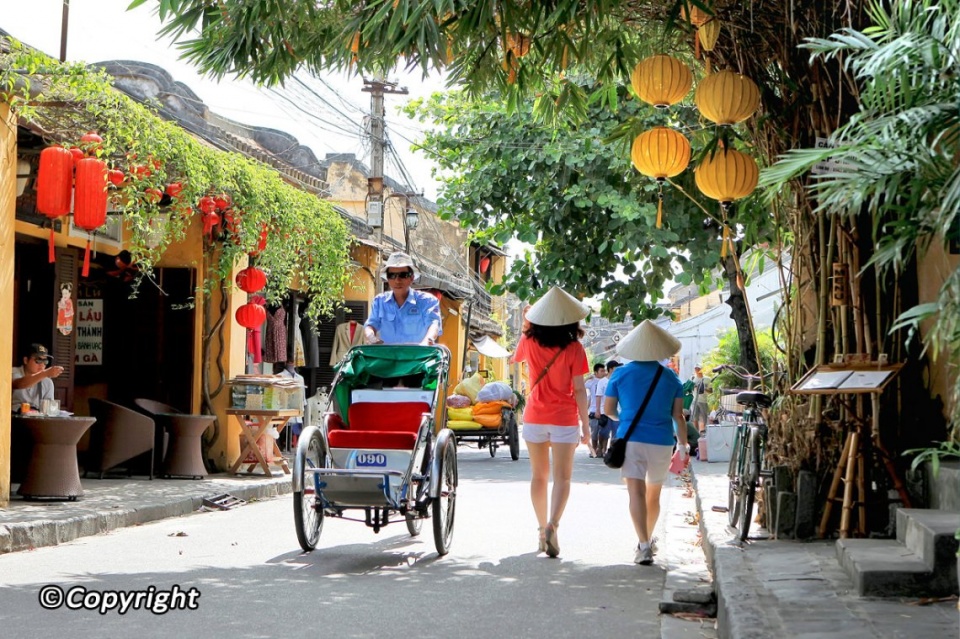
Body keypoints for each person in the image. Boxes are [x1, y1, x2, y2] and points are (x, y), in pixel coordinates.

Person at [510, 286, 590, 558]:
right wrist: (586, 426)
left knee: (539, 476)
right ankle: (553, 525)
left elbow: (515, 358)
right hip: (565, 419)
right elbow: (579, 389)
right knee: (563, 478)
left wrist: (526, 325)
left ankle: (540, 527)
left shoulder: (530, 342)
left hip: (534, 416)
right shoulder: (575, 349)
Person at [604, 320, 688, 566]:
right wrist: (682, 445)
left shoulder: (620, 373)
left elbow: (608, 410)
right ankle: (649, 540)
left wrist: (627, 418)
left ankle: (643, 545)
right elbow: (678, 416)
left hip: (631, 440)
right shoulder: (671, 377)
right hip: (662, 442)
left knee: (635, 493)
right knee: (654, 494)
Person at [364, 252, 441, 346]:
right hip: (387, 357)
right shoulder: (379, 301)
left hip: (418, 357)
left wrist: (427, 341)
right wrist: (371, 337)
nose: (397, 280)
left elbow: (433, 325)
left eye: (403, 275)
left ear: (411, 278)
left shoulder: (427, 301)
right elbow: (371, 325)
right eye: (392, 275)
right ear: (387, 278)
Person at [12, 344, 64, 413]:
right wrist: (45, 373)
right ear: (26, 360)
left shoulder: (47, 382)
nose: (42, 365)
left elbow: (49, 409)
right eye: (38, 360)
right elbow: (18, 384)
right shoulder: (13, 372)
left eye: (45, 361)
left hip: (36, 419)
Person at [594, 360, 621, 457]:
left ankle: (611, 452)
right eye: (615, 368)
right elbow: (598, 396)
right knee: (604, 432)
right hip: (604, 411)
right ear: (610, 369)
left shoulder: (618, 380)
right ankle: (600, 447)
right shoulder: (602, 382)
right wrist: (597, 410)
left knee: (616, 433)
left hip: (617, 411)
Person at [584, 363, 606, 457]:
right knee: (594, 433)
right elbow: (580, 385)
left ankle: (602, 450)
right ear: (596, 372)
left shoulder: (606, 381)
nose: (603, 372)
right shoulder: (592, 381)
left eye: (604, 370)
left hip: (604, 410)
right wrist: (589, 377)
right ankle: (594, 451)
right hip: (593, 410)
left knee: (604, 432)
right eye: (601, 371)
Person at [691, 365, 711, 434]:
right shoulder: (693, 378)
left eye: (698, 368)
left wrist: (703, 388)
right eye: (696, 368)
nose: (697, 370)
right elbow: (689, 389)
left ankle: (705, 431)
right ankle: (696, 433)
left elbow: (711, 391)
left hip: (703, 401)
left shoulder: (707, 379)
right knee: (694, 418)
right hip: (694, 400)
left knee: (704, 417)